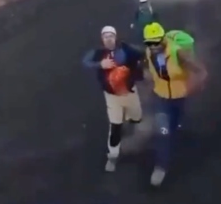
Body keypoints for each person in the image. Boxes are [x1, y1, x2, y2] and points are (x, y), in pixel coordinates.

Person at [141, 22, 208, 186]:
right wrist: (148, 83)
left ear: (163, 38)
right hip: (161, 98)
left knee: (176, 123)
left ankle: (175, 133)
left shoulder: (178, 53)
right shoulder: (149, 52)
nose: (154, 46)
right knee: (163, 132)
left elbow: (201, 71)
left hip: (179, 97)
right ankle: (161, 167)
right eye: (150, 42)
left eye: (157, 41)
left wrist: (195, 85)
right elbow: (149, 70)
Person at [81, 25, 145, 172]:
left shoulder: (126, 49)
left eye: (111, 36)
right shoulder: (97, 54)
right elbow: (85, 62)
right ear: (102, 39)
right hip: (112, 97)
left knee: (136, 117)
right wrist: (100, 64)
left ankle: (133, 129)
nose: (108, 39)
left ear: (115, 37)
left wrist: (139, 69)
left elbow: (142, 54)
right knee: (115, 126)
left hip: (129, 93)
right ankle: (113, 157)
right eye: (105, 37)